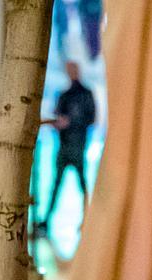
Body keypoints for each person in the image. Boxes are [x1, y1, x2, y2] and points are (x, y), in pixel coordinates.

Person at [42, 61, 96, 230]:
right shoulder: (65, 95)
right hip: (65, 146)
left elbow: (91, 118)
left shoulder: (85, 94)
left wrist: (70, 123)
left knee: (81, 184)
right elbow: (58, 116)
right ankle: (47, 221)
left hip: (77, 146)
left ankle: (88, 218)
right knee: (57, 184)